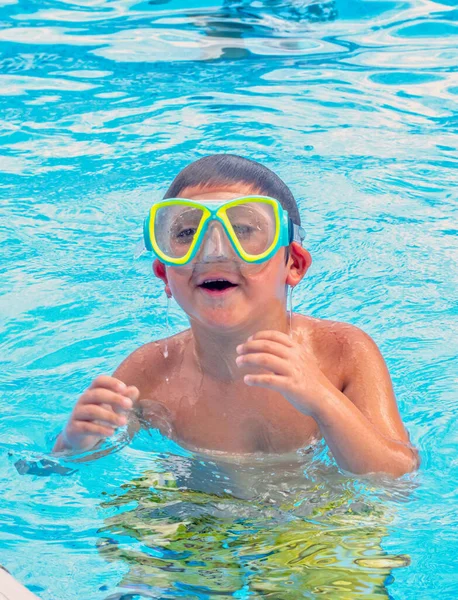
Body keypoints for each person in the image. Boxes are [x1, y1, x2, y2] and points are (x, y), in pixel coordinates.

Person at [53, 154, 418, 477]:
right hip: (195, 517)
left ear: (294, 264)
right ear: (165, 274)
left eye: (243, 230)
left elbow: (397, 476)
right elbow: (59, 473)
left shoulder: (341, 354)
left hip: (316, 518)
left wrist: (322, 397)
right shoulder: (148, 373)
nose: (213, 252)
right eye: (186, 232)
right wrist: (76, 442)